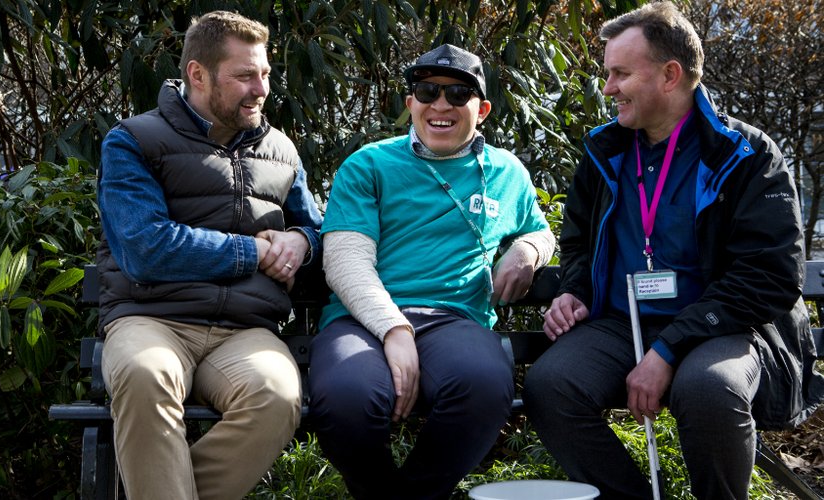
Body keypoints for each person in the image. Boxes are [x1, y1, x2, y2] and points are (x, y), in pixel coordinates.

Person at [524, 3, 824, 499]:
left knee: (708, 389)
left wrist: (668, 349)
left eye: (620, 73)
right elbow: (578, 238)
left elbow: (769, 276)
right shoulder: (605, 152)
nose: (608, 88)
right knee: (551, 385)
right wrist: (575, 290)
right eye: (608, 73)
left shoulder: (746, 154)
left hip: (722, 327)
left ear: (670, 75)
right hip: (624, 324)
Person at [309, 44, 556, 499]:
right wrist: (393, 329)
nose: (440, 105)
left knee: (484, 384)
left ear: (480, 110)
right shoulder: (369, 164)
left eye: (457, 94)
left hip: (455, 319)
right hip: (361, 321)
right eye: (427, 91)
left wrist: (526, 250)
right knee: (347, 396)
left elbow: (540, 231)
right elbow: (345, 260)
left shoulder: (507, 172)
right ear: (410, 105)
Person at [95, 11, 322, 500]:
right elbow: (145, 248)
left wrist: (303, 242)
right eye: (244, 76)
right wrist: (251, 253)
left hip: (244, 331)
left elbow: (318, 231)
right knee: (143, 375)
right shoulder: (133, 141)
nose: (261, 89)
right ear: (197, 75)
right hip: (151, 317)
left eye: (264, 74)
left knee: (277, 396)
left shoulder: (281, 152)